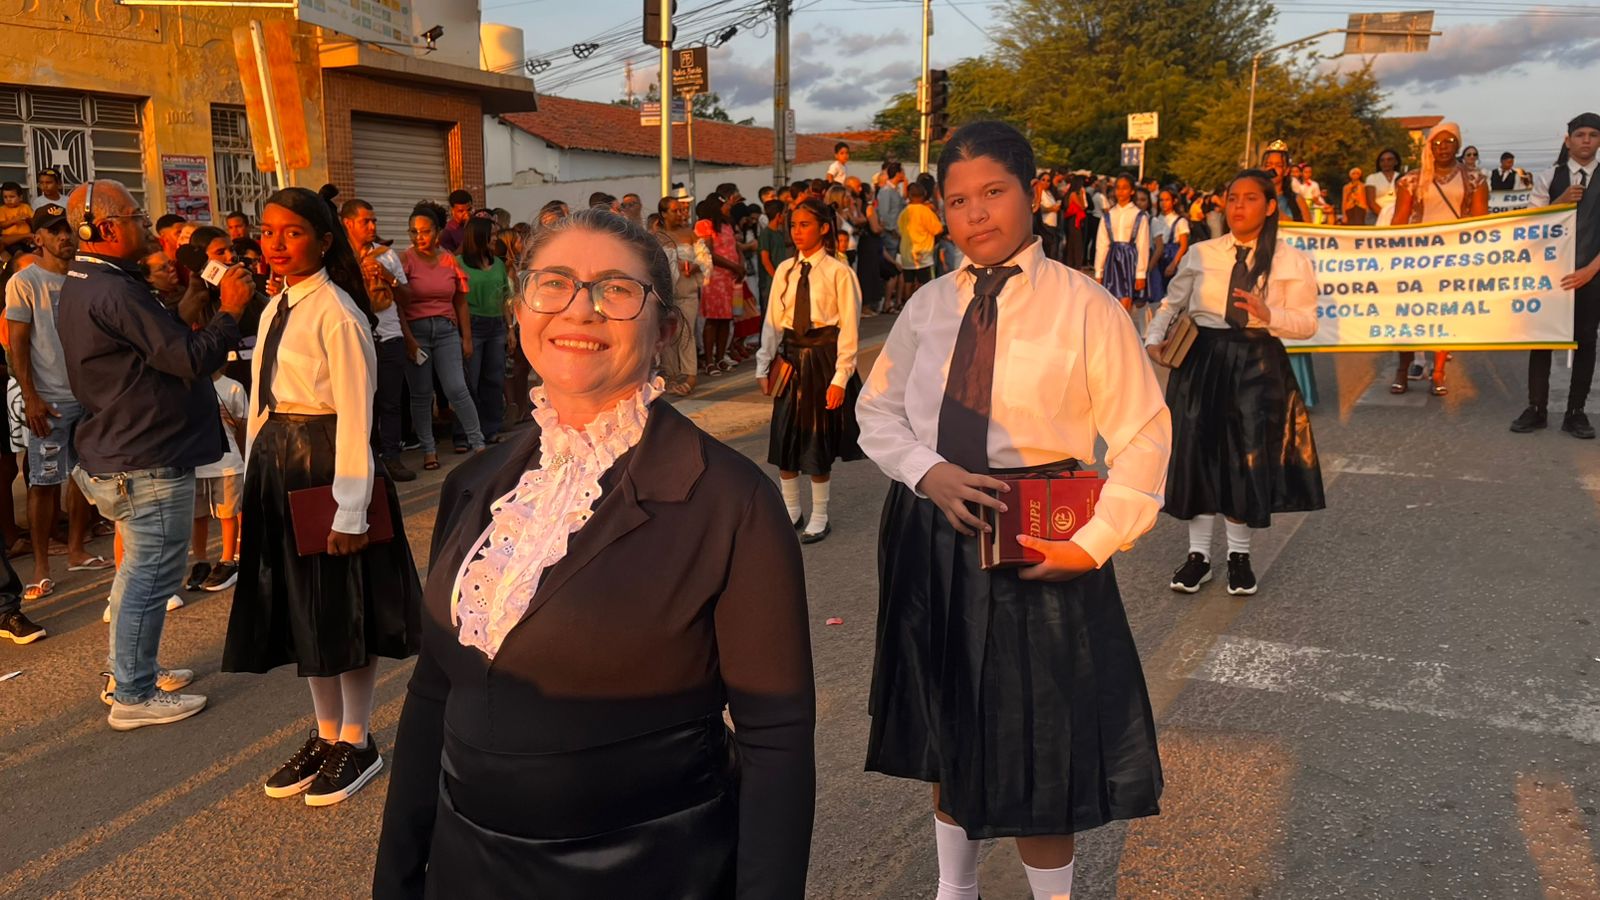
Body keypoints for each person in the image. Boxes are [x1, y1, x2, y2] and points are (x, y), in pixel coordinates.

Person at [373, 207, 815, 897]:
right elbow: (434, 693)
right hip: (469, 868)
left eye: (616, 289)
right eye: (555, 284)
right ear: (521, 310)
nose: (580, 310)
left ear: (664, 326)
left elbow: (776, 740)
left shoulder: (731, 503)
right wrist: (397, 879)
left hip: (650, 871)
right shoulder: (476, 484)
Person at [857, 121, 1169, 900]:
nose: (975, 214)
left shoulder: (1086, 306)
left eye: (993, 192)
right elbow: (878, 412)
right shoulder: (927, 306)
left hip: (1040, 540)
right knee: (944, 724)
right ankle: (952, 891)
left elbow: (1143, 434)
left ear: (1031, 194)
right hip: (933, 535)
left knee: (1038, 741)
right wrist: (928, 475)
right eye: (957, 200)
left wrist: (1093, 544)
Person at [222, 186, 422, 806]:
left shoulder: (337, 312)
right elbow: (262, 399)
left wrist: (353, 507)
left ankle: (357, 741)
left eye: (293, 233)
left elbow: (358, 416)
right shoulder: (274, 305)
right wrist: (252, 476)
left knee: (343, 606)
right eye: (268, 231)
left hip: (327, 464)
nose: (276, 244)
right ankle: (328, 733)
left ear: (325, 241)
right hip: (280, 466)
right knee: (305, 611)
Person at [59, 179, 251, 729]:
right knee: (150, 577)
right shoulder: (114, 289)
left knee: (137, 575)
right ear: (109, 228)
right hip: (144, 453)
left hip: (125, 446)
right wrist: (230, 312)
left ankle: (127, 673)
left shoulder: (90, 280)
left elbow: (152, 346)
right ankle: (134, 695)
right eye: (139, 216)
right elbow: (187, 358)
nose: (149, 225)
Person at [1145, 169, 1325, 595]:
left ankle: (1239, 557)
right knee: (1198, 454)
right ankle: (1199, 557)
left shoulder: (1289, 260)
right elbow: (1173, 302)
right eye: (1231, 198)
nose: (1238, 206)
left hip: (1257, 361)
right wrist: (1153, 338)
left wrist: (1269, 314)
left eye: (1249, 198)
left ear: (1269, 205)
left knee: (1246, 456)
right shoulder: (1203, 253)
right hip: (1203, 360)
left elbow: (1307, 325)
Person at [5, 201, 113, 604]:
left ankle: (77, 550)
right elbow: (17, 343)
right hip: (49, 401)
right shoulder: (25, 281)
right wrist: (30, 396)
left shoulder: (88, 276)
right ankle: (41, 567)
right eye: (54, 230)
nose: (64, 236)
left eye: (68, 228)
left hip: (92, 397)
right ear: (38, 239)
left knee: (86, 478)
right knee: (43, 483)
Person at [755, 197, 864, 545]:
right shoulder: (785, 270)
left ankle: (820, 514)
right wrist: (763, 363)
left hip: (823, 359)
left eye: (805, 225)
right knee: (785, 437)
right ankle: (791, 510)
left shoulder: (839, 273)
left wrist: (840, 378)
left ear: (824, 228)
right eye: (793, 225)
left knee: (817, 439)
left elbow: (849, 328)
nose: (797, 231)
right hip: (790, 360)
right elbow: (772, 320)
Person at [1514, 112, 1600, 438]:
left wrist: (1590, 271)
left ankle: (1576, 412)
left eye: (1593, 135)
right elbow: (1531, 225)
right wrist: (1561, 202)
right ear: (1568, 140)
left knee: (1585, 341)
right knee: (1543, 338)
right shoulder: (1549, 177)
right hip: (1550, 274)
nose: (1586, 141)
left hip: (1592, 273)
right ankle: (1536, 408)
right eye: (1580, 135)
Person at [1390, 121, 1489, 397]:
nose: (1442, 147)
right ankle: (1403, 368)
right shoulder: (1411, 179)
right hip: (1417, 256)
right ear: (1429, 147)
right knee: (1408, 314)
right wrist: (1387, 252)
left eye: (1448, 142)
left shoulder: (1475, 179)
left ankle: (1438, 371)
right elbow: (1400, 219)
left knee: (1445, 312)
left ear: (1457, 145)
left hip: (1454, 255)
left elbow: (1481, 219)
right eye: (1436, 143)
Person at [400, 202, 485, 469]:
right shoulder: (404, 260)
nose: (419, 237)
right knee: (422, 394)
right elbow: (397, 305)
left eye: (425, 231)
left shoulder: (449, 259)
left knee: (457, 388)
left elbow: (460, 301)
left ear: (437, 232)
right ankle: (428, 449)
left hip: (447, 331)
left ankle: (478, 443)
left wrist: (466, 338)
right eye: (413, 232)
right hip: (416, 333)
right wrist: (409, 340)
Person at [340, 199, 418, 482]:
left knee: (391, 402)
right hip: (355, 339)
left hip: (390, 336)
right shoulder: (338, 259)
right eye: (365, 221)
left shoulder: (387, 256)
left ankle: (392, 458)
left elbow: (408, 299)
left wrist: (387, 277)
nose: (372, 226)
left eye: (374, 221)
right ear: (348, 223)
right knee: (360, 402)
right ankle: (366, 461)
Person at [186, 369, 247, 593]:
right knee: (197, 516)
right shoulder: (185, 385)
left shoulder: (233, 387)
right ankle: (201, 561)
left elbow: (243, 428)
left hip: (227, 462)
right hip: (196, 463)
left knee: (228, 513)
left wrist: (228, 418)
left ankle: (227, 561)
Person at [459, 218, 512, 444]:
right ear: (478, 236)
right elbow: (458, 301)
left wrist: (510, 329)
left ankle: (490, 429)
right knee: (469, 382)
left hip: (497, 326)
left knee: (494, 379)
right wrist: (466, 336)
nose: (494, 239)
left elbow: (504, 299)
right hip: (473, 325)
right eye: (491, 235)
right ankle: (464, 433)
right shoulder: (458, 263)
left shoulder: (498, 264)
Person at [656, 193, 706, 397]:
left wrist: (694, 267)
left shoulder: (690, 233)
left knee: (686, 333)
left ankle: (690, 375)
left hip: (687, 293)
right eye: (675, 211)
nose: (680, 214)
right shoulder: (656, 236)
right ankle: (670, 374)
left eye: (681, 210)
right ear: (664, 213)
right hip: (665, 295)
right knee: (667, 335)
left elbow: (705, 259)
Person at [697, 195, 743, 377]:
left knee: (726, 319)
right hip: (715, 277)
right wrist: (734, 266)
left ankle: (721, 356)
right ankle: (709, 360)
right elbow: (708, 253)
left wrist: (741, 266)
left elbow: (735, 248)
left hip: (730, 277)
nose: (729, 208)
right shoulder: (705, 225)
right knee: (713, 320)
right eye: (726, 205)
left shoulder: (727, 225)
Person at [1093, 173, 1149, 311]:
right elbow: (1102, 245)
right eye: (1118, 187)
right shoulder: (1108, 215)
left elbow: (1143, 245)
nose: (1120, 191)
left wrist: (1140, 274)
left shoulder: (1139, 216)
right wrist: (1098, 272)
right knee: (1109, 302)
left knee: (1126, 303)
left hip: (1130, 260)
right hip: (1112, 260)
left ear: (1132, 191)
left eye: (1125, 188)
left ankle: (1123, 331)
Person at [897, 182, 943, 301]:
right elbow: (938, 229)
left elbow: (899, 231)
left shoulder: (904, 212)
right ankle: (925, 304)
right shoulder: (926, 211)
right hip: (924, 253)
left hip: (907, 252)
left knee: (908, 281)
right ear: (924, 195)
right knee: (926, 282)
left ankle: (907, 304)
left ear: (909, 196)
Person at [1147, 188, 1190, 308]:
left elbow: (1183, 246)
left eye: (1167, 200)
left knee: (1170, 293)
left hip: (1171, 255)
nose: (1163, 203)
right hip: (1157, 255)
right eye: (1161, 200)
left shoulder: (1180, 221)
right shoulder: (1155, 219)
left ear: (1174, 201)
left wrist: (1173, 264)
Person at [1365, 148, 1403, 227]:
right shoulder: (1372, 178)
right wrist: (1385, 216)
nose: (1386, 163)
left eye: (1389, 160)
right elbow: (1371, 203)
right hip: (1376, 215)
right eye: (1382, 160)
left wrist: (1396, 216)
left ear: (1396, 162)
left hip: (1398, 215)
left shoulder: (1402, 177)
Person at [440, 189, 473, 253]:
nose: (467, 214)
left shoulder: (476, 223)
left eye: (469, 210)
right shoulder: (448, 232)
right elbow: (452, 259)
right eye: (461, 211)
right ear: (452, 210)